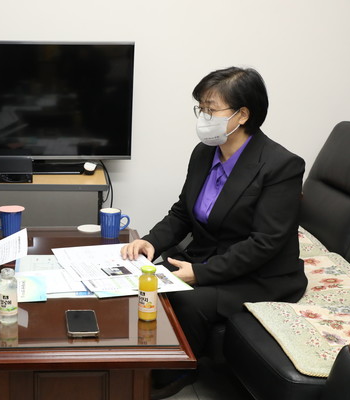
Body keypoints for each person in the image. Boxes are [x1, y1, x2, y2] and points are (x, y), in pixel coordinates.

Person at [121, 66, 307, 399]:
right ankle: (138, 359)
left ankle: (175, 372)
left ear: (242, 114)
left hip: (261, 275)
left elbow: (265, 243)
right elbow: (183, 212)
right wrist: (150, 241)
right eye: (200, 109)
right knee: (140, 277)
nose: (203, 117)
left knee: (188, 300)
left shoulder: (281, 166)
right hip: (211, 257)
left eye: (211, 109)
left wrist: (201, 273)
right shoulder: (205, 152)